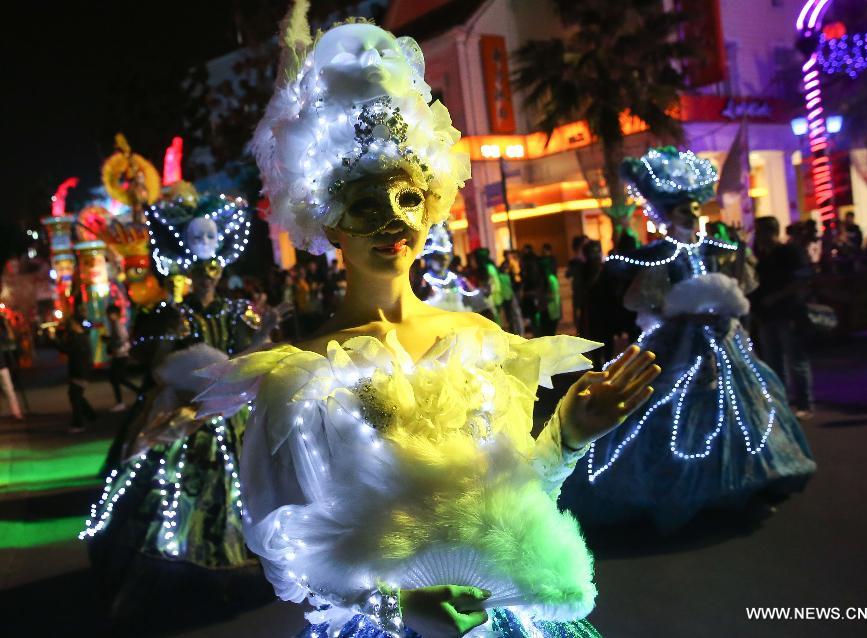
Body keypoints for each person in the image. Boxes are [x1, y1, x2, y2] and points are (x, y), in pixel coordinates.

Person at [197, 16, 659, 638]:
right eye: (365, 204)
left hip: (505, 618)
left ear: (433, 204)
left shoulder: (480, 340)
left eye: (408, 198)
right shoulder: (301, 375)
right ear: (329, 223)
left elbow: (514, 499)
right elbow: (286, 544)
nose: (393, 219)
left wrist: (568, 437)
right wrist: (396, 605)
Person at [560, 147, 816, 532]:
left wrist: (721, 306)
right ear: (665, 214)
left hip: (723, 341)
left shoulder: (720, 249)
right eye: (683, 210)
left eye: (695, 209)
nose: (692, 216)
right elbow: (640, 298)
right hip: (678, 344)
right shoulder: (658, 255)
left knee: (743, 410)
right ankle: (681, 491)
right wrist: (679, 308)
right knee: (666, 412)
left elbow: (744, 284)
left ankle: (741, 487)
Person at [81, 194, 282, 618]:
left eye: (213, 271)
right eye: (200, 272)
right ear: (189, 273)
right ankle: (173, 567)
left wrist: (263, 333)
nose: (207, 279)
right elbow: (157, 368)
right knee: (162, 484)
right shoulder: (174, 314)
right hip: (188, 414)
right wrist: (172, 349)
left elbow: (247, 356)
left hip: (232, 412)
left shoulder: (237, 311)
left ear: (221, 269)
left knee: (251, 483)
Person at [752, 216, 816, 419]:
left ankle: (805, 403)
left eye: (760, 231)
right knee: (773, 362)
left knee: (795, 360)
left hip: (788, 313)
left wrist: (777, 297)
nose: (758, 236)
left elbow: (802, 279)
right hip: (768, 315)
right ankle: (781, 403)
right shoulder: (762, 257)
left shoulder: (790, 252)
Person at [56, 309, 96, 433]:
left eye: (72, 324)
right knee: (76, 395)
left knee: (75, 396)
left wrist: (55, 341)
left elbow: (66, 349)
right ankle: (90, 415)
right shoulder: (82, 337)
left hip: (80, 372)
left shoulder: (78, 339)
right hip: (81, 371)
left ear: (77, 325)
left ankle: (79, 423)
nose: (71, 326)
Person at [104, 304, 140, 412]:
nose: (109, 317)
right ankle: (139, 393)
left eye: (111, 314)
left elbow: (122, 339)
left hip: (121, 354)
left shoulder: (117, 324)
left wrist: (111, 344)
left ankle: (121, 402)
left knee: (115, 379)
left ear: (115, 314)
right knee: (118, 379)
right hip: (120, 354)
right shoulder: (117, 324)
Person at [0, 312, 23, 420]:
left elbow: (10, 338)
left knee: (9, 390)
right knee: (9, 390)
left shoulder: (2, 336)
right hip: (2, 366)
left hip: (2, 366)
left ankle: (16, 412)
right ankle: (16, 412)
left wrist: (6, 323)